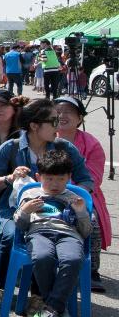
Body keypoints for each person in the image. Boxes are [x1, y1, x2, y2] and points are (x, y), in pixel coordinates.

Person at [0, 98, 93, 293]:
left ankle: (39, 295)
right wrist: (10, 178)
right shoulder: (11, 148)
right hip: (14, 210)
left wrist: (75, 197)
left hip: (55, 212)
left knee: (50, 242)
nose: (58, 126)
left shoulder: (64, 148)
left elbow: (86, 180)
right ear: (34, 125)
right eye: (53, 121)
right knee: (11, 235)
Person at [11, 150, 93, 317]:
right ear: (39, 177)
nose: (54, 184)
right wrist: (24, 211)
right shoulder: (30, 193)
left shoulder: (73, 197)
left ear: (69, 178)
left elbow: (86, 232)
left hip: (69, 235)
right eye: (49, 179)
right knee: (42, 257)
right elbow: (20, 226)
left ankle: (50, 310)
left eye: (60, 179)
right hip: (39, 233)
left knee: (72, 259)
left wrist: (81, 213)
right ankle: (57, 310)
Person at [54, 95, 110, 289]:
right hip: (47, 191)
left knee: (90, 220)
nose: (62, 116)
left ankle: (91, 270)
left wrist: (71, 194)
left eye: (68, 112)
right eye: (58, 111)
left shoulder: (91, 144)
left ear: (80, 118)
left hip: (81, 194)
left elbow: (93, 178)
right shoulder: (46, 138)